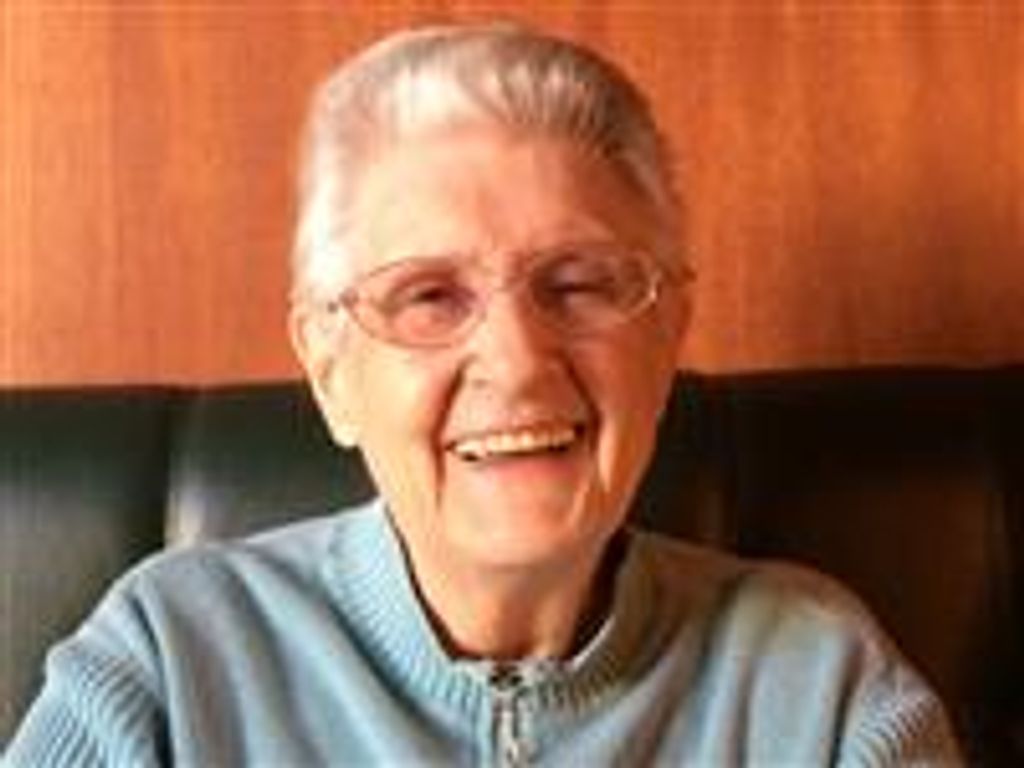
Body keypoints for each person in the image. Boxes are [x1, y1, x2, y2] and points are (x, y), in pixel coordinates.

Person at [5, 23, 961, 766]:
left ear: (667, 334)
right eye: (430, 296)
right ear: (330, 370)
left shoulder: (819, 687)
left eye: (578, 284)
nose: (516, 360)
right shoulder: (170, 663)